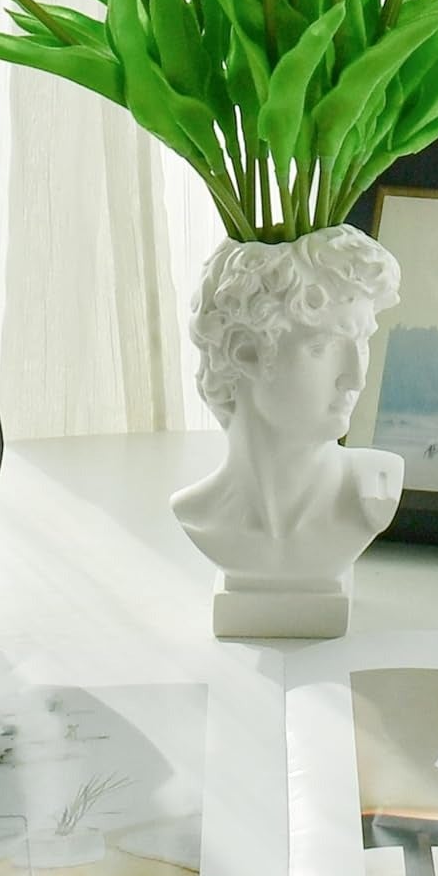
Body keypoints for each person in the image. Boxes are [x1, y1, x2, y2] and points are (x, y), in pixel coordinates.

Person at [172, 226, 404, 613]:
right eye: (322, 347)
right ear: (243, 351)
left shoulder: (373, 493)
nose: (355, 378)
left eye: (362, 344)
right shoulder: (198, 515)